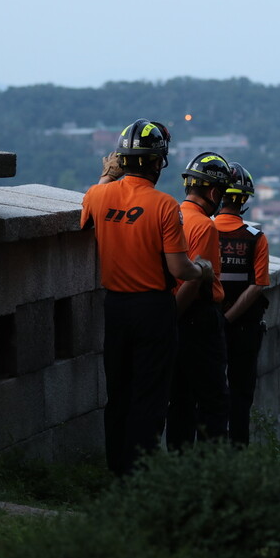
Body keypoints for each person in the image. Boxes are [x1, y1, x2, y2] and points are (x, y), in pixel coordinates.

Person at [80, 118, 212, 476]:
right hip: (153, 307)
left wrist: (108, 174)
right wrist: (202, 270)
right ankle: (140, 476)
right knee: (150, 396)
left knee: (118, 393)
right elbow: (179, 270)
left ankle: (117, 472)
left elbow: (96, 197)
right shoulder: (165, 205)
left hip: (116, 307)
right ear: (157, 162)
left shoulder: (97, 195)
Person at [166, 152, 233, 450]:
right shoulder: (205, 226)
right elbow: (196, 279)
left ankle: (179, 464)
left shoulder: (173, 216)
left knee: (179, 398)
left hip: (174, 316)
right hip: (198, 319)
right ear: (215, 192)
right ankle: (210, 471)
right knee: (213, 399)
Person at [214, 162, 270, 446]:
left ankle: (205, 454)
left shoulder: (204, 229)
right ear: (244, 200)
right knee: (241, 391)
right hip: (245, 327)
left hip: (206, 323)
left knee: (208, 390)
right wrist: (231, 318)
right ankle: (237, 451)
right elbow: (258, 284)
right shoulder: (255, 237)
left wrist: (220, 319)